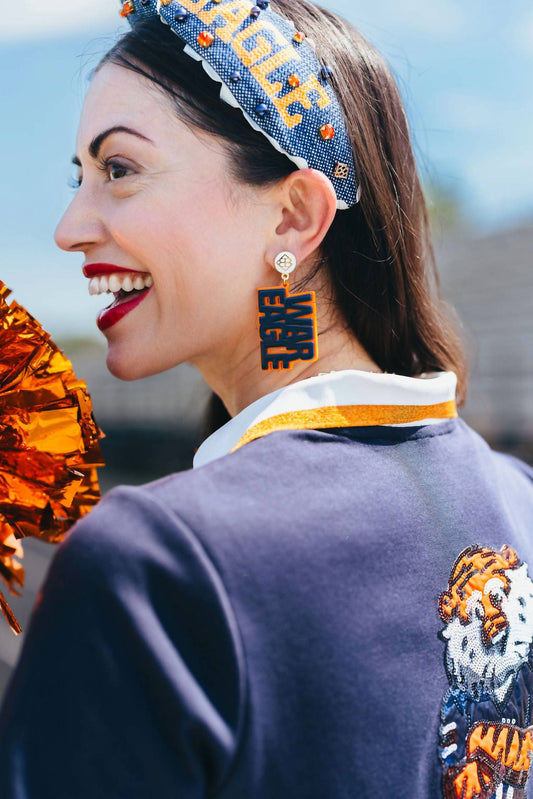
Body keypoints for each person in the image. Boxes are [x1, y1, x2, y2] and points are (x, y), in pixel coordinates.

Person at [0, 1, 532, 797]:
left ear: (292, 215)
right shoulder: (517, 502)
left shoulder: (156, 569)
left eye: (119, 170)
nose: (70, 226)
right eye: (81, 177)